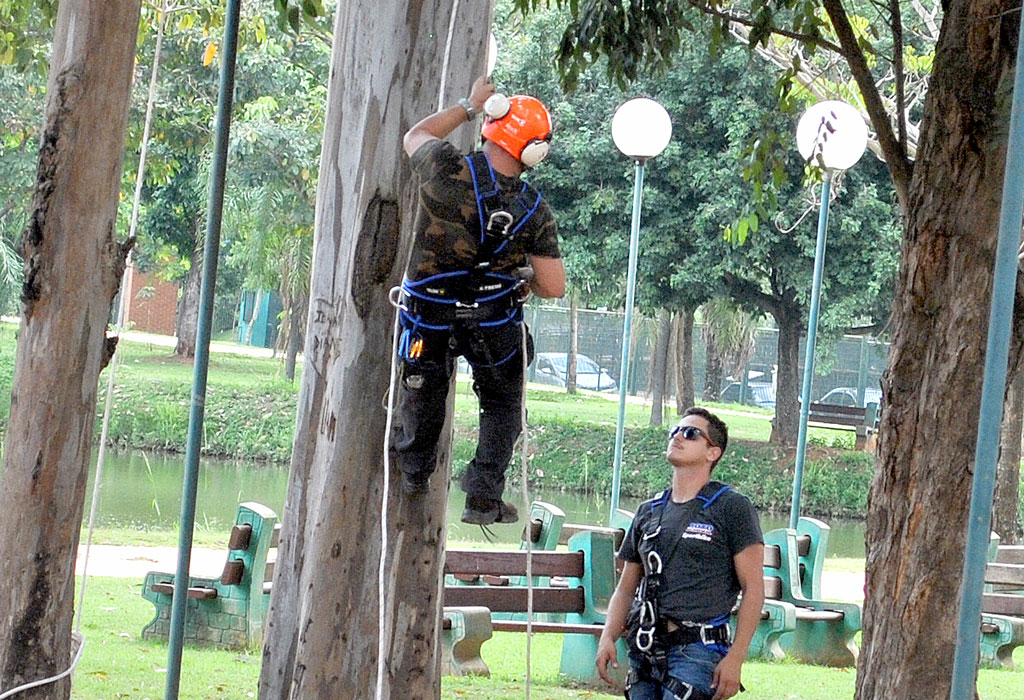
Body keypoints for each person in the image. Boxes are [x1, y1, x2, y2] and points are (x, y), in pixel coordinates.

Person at [393, 75, 565, 526]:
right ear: (534, 151)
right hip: (492, 322)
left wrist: (468, 105)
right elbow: (553, 285)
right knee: (503, 401)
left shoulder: (444, 168)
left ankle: (414, 472)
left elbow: (415, 135)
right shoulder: (534, 208)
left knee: (423, 387)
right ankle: (484, 495)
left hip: (427, 315)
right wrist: (522, 273)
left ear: (492, 123)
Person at [595, 407, 764, 700]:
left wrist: (736, 658)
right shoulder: (649, 511)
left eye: (690, 433)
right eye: (675, 431)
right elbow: (626, 587)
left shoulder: (732, 508)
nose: (678, 437)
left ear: (713, 453)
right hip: (645, 649)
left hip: (697, 651)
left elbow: (754, 589)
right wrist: (607, 636)